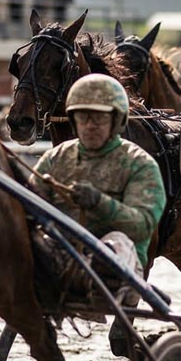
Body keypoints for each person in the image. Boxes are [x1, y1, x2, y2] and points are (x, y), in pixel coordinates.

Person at [29, 74, 165, 344]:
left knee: (117, 241)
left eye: (99, 118)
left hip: (119, 271)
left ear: (117, 120)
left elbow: (142, 224)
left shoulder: (139, 164)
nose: (90, 125)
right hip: (62, 260)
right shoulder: (56, 158)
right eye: (83, 118)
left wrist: (100, 203)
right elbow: (29, 207)